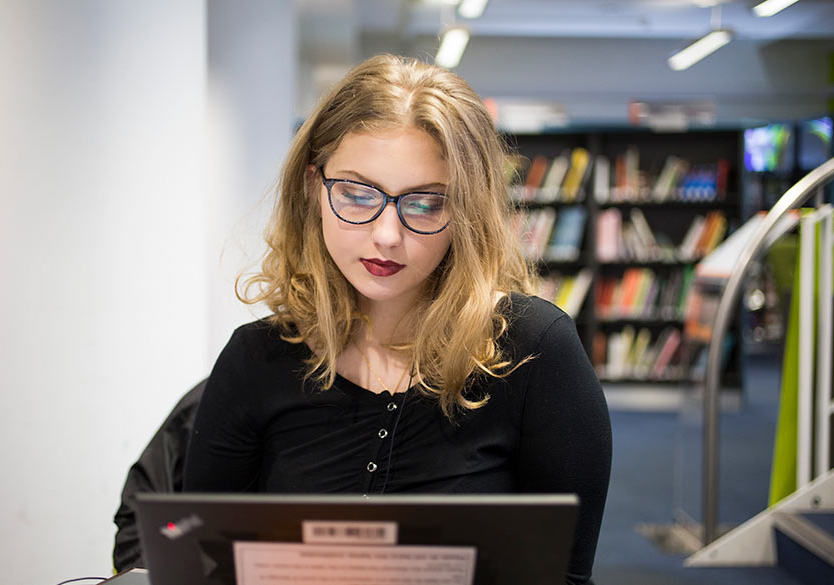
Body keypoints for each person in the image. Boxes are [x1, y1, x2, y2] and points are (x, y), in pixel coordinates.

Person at [183, 54, 611, 585]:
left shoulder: (534, 351)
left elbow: (563, 576)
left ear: (467, 211)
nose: (387, 234)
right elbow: (199, 565)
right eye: (358, 194)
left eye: (426, 203)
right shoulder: (256, 358)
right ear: (314, 187)